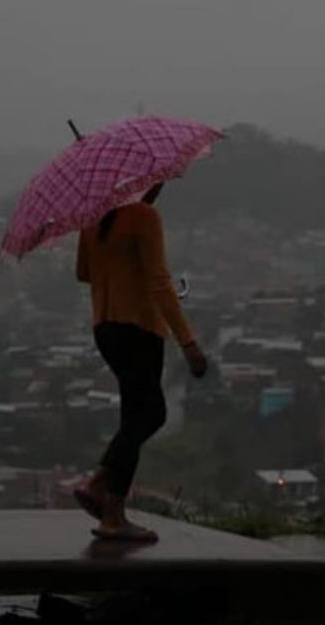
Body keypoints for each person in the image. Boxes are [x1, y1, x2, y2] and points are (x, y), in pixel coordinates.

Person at [72, 182, 208, 541]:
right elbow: (160, 282)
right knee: (146, 415)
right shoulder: (144, 216)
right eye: (157, 180)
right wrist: (189, 343)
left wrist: (120, 265)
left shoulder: (93, 218)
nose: (160, 186)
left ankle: (101, 487)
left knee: (140, 414)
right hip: (139, 328)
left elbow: (84, 272)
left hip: (106, 327)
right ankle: (110, 510)